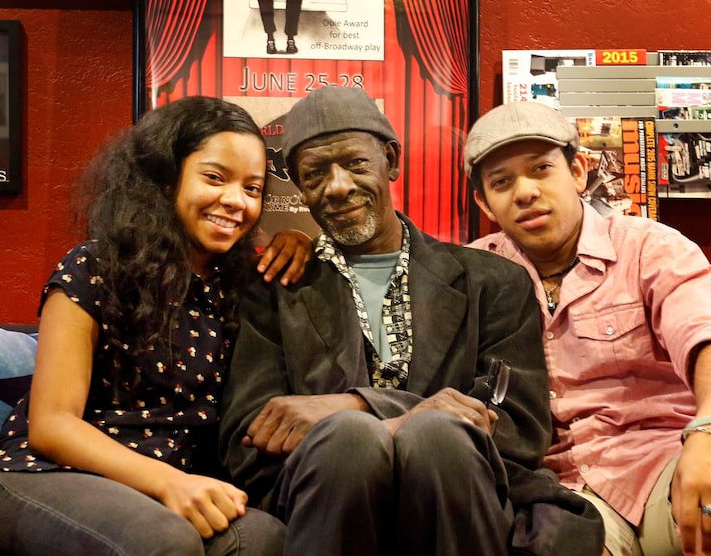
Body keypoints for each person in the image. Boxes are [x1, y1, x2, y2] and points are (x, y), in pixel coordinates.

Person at [219, 85, 604, 555]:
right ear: (300, 188)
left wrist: (359, 406)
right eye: (315, 173)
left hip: (458, 495)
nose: (338, 186)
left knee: (436, 436)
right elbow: (247, 440)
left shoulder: (492, 282)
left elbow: (519, 428)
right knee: (347, 441)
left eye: (356, 164)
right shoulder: (276, 290)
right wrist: (378, 421)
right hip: (328, 502)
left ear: (391, 162)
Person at [0, 96, 314, 555]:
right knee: (163, 539)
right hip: (41, 474)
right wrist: (169, 483)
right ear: (165, 177)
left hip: (167, 484)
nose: (236, 200)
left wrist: (304, 244)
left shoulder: (244, 287)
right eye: (215, 177)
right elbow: (52, 425)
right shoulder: (96, 265)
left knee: (263, 537)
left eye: (252, 189)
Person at [463, 100, 711, 556]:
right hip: (556, 497)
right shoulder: (472, 274)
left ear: (577, 171)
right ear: (485, 202)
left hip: (668, 475)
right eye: (502, 182)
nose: (525, 192)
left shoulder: (649, 247)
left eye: (541, 169)